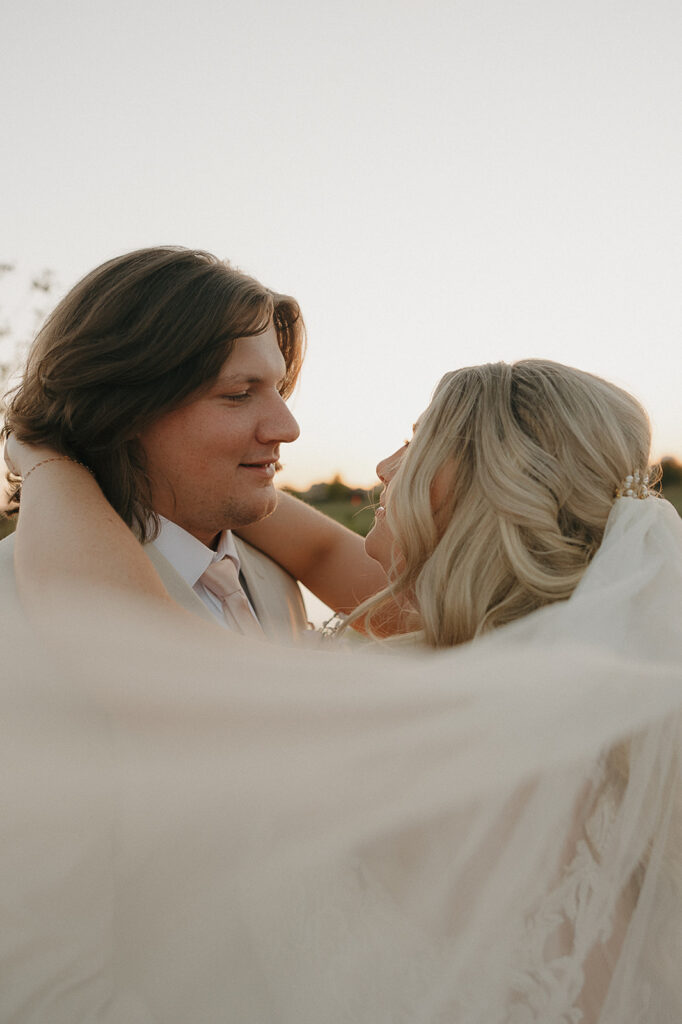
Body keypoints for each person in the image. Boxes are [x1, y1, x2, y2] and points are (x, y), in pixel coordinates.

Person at [3, 363, 682, 1022]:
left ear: (482, 489)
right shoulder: (518, 660)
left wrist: (45, 460)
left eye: (418, 444)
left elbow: (127, 643)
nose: (386, 466)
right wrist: (156, 460)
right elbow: (325, 554)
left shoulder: (453, 732)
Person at [0, 245, 387, 643]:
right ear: (124, 409)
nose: (288, 428)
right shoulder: (15, 605)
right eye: (239, 394)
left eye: (278, 390)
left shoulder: (277, 570)